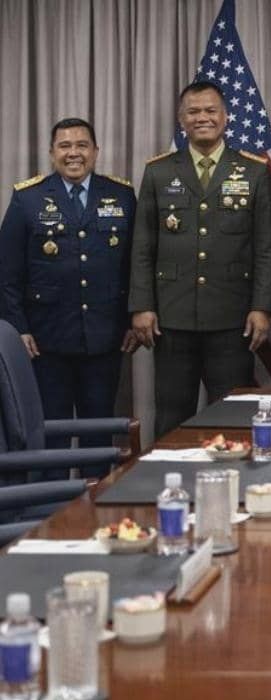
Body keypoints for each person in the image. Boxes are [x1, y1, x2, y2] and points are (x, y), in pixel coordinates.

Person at [129, 81, 271, 437]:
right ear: (182, 120)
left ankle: (230, 474)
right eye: (193, 112)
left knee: (231, 417)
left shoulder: (254, 171)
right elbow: (143, 245)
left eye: (211, 111)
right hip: (172, 317)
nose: (203, 118)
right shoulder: (159, 171)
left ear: (226, 117)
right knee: (171, 417)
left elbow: (267, 247)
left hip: (233, 316)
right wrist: (142, 306)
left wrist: (262, 307)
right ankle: (168, 474)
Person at [0, 118, 138, 479]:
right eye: (64, 146)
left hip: (105, 338)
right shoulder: (28, 198)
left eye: (81, 145)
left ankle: (95, 501)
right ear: (51, 153)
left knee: (99, 430)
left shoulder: (122, 195)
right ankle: (53, 506)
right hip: (46, 341)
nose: (73, 153)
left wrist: (132, 319)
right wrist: (18, 328)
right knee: (51, 432)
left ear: (95, 151)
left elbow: (135, 266)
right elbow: (7, 274)